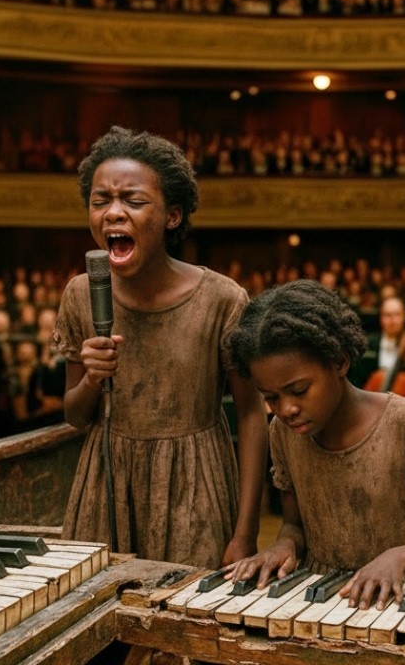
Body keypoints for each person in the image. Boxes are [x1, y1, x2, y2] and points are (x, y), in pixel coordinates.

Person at [53, 125, 267, 569]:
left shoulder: (222, 299)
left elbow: (250, 415)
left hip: (195, 487)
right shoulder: (80, 294)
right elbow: (75, 416)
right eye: (100, 201)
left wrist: (245, 532)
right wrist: (93, 378)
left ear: (172, 216)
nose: (113, 213)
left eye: (132, 201)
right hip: (105, 487)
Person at [223, 280, 405, 608]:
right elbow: (294, 525)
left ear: (339, 362)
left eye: (298, 390)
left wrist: (398, 557)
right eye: (271, 398)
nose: (286, 409)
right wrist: (284, 544)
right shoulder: (283, 433)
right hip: (327, 595)